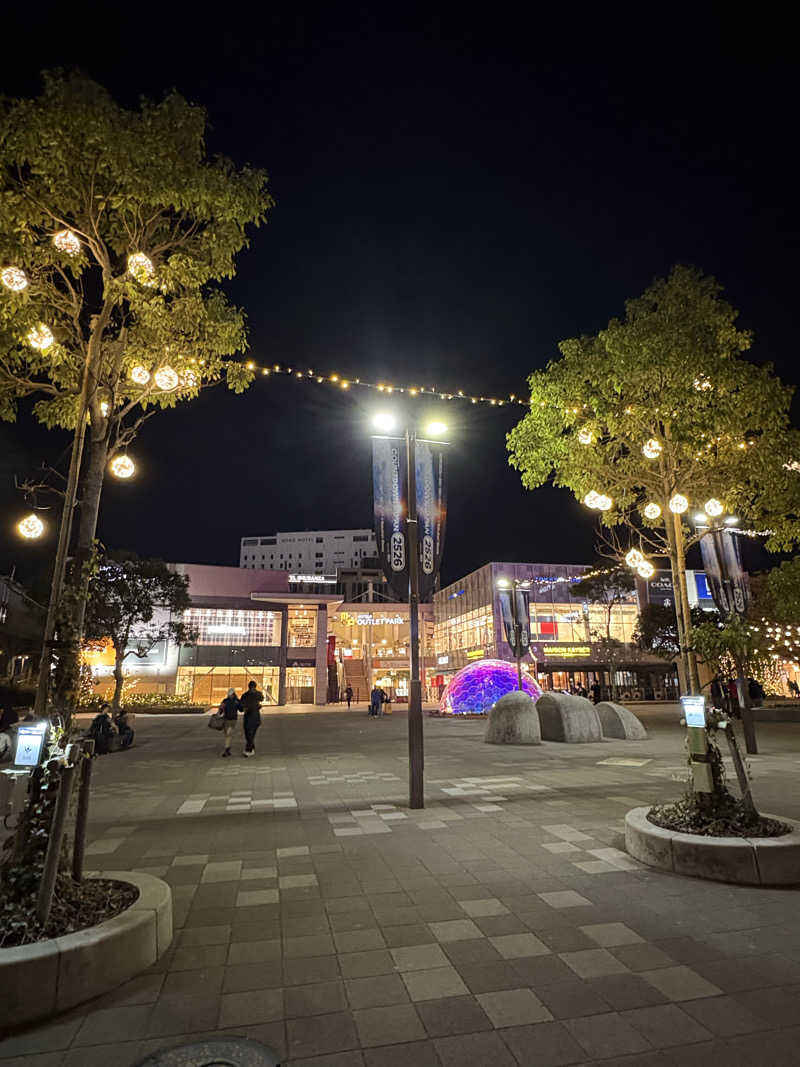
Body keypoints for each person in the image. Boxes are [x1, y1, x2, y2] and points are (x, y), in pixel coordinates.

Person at [240, 679, 264, 757]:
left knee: (249, 734)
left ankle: (249, 749)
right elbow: (261, 699)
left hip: (249, 717)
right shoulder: (255, 694)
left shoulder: (246, 695)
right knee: (250, 734)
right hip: (255, 717)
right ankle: (251, 747)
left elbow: (241, 706)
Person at [220, 688, 242, 756]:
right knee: (228, 735)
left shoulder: (225, 701)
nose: (230, 695)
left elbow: (221, 710)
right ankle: (228, 749)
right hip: (231, 720)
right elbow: (241, 709)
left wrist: (220, 711)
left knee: (227, 735)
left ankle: (227, 750)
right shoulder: (236, 701)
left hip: (228, 720)